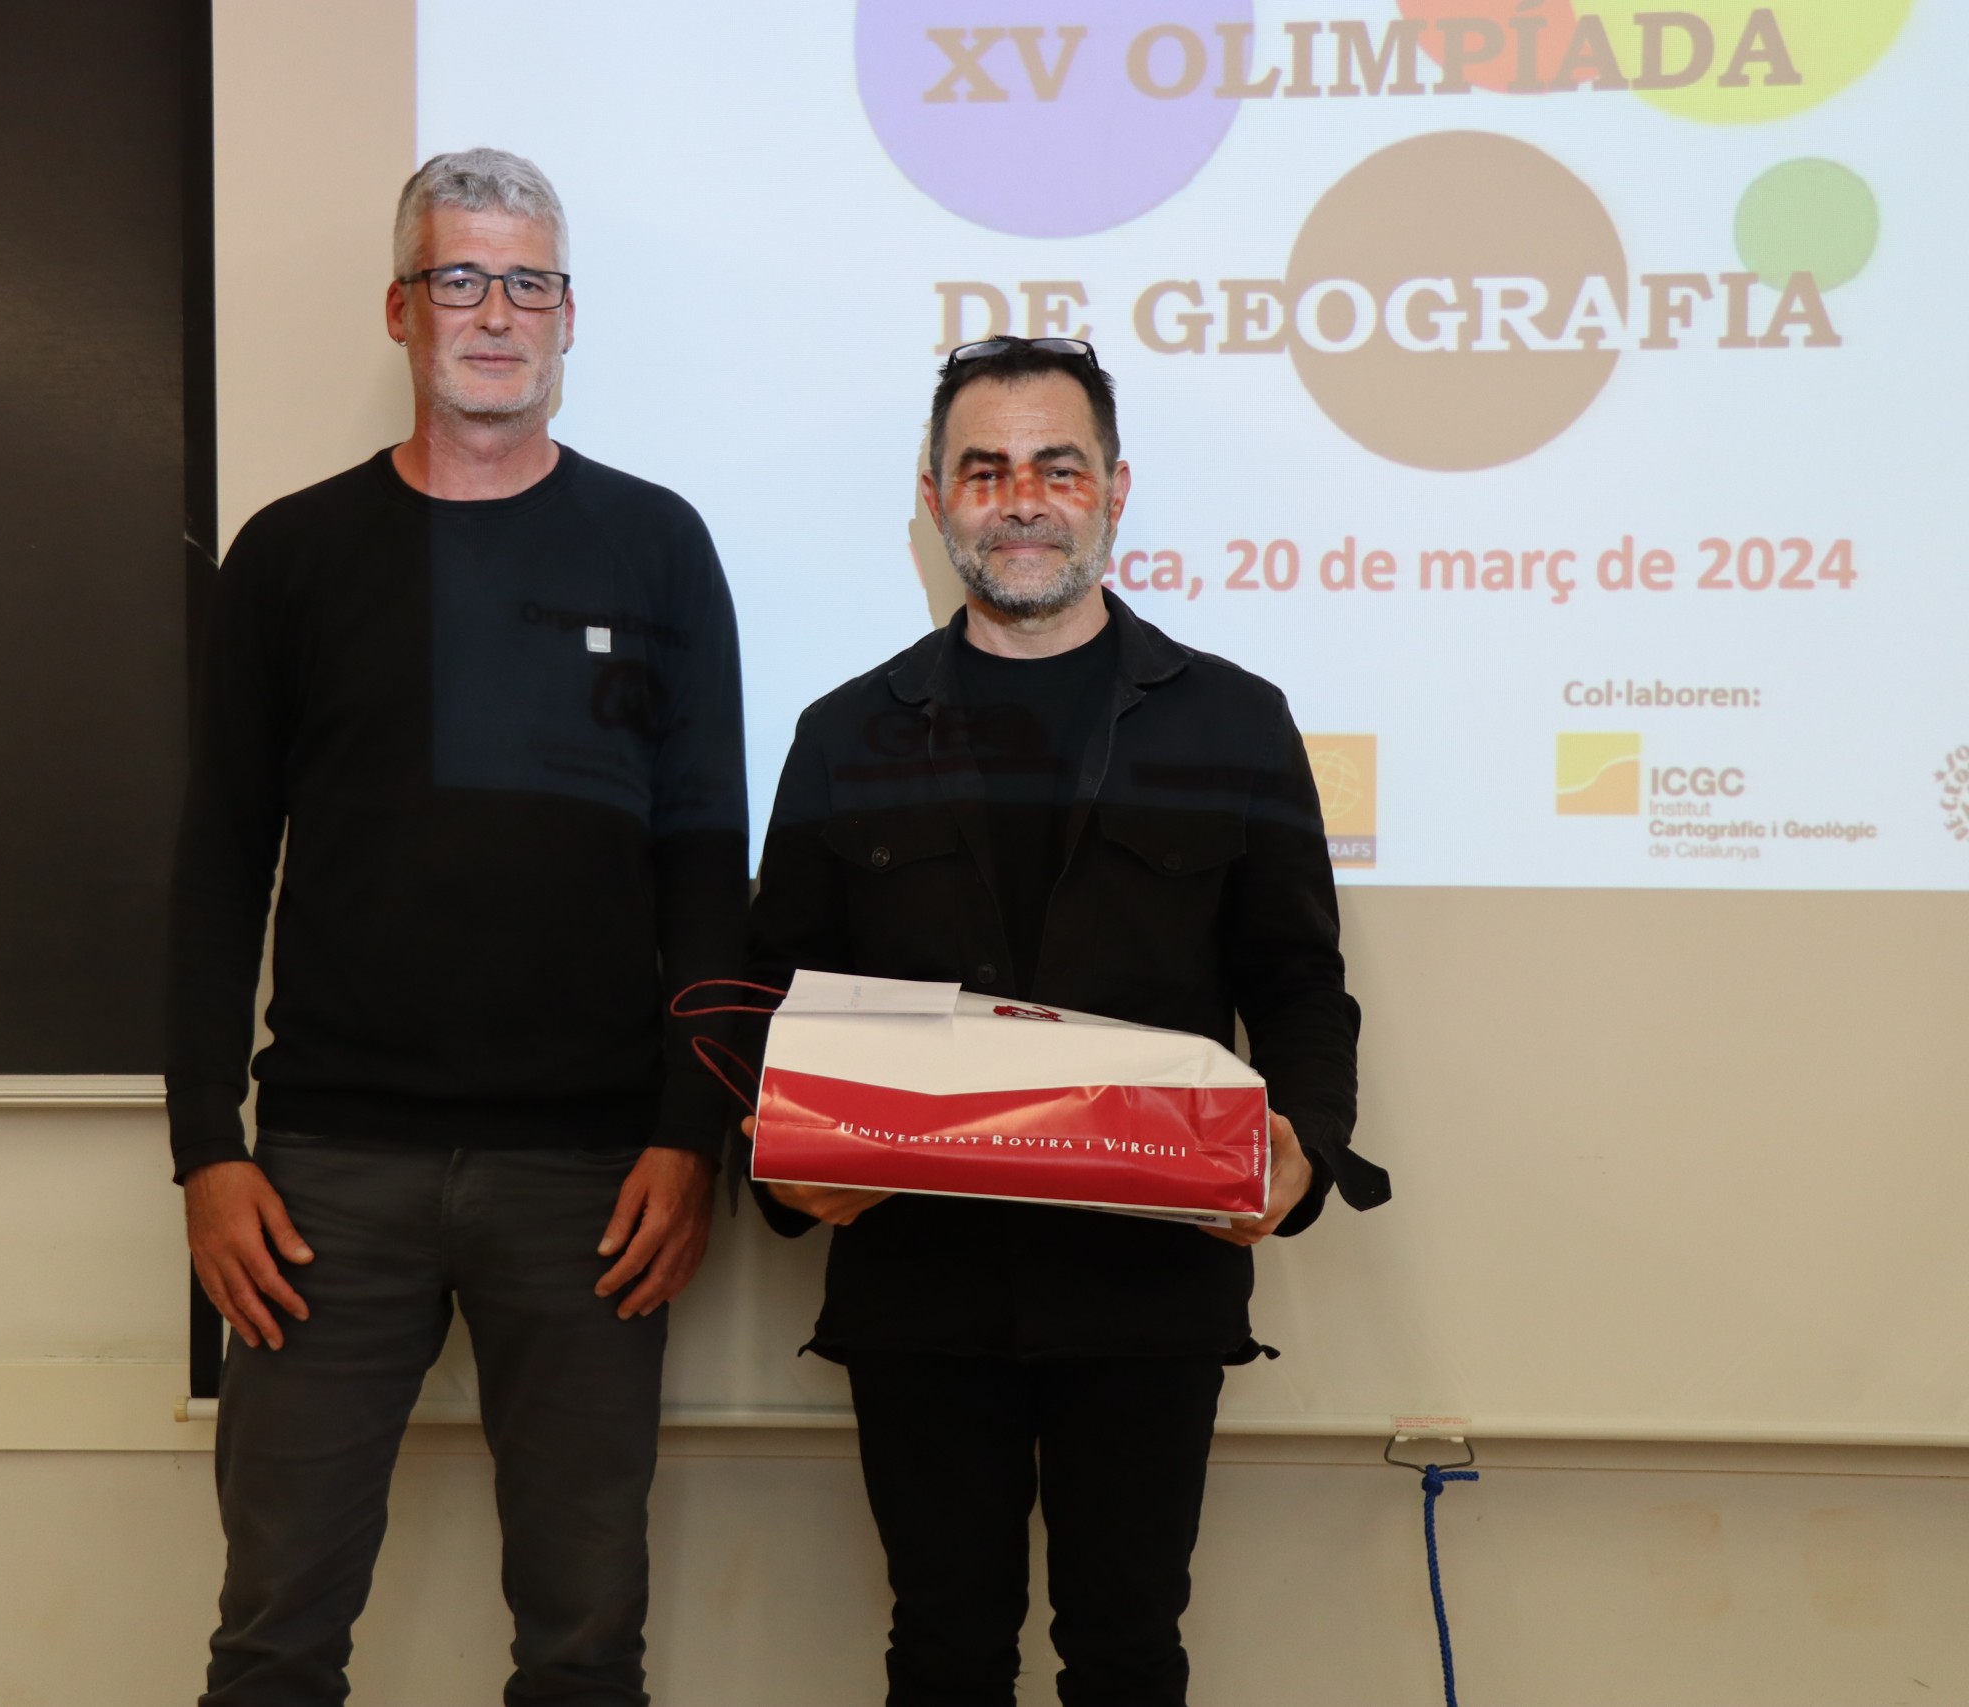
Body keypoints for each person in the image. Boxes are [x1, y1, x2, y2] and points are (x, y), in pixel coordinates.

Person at [166, 148, 748, 1707]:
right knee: (273, 1642)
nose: (497, 313)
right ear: (400, 310)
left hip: (593, 1182)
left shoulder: (658, 546)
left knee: (585, 1647)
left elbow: (709, 868)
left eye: (528, 283)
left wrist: (691, 1133)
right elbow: (218, 867)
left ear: (570, 316)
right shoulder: (291, 556)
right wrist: (206, 1150)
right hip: (324, 1178)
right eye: (461, 278)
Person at [744, 336, 1391, 1707]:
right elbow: (773, 997)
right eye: (985, 470)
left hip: (1149, 1285)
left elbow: (1298, 981)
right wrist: (781, 1162)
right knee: (942, 1652)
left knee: (1127, 1653)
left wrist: (1303, 1146)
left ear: (1115, 489)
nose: (1022, 499)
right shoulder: (845, 734)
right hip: (920, 1286)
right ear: (935, 498)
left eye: (1058, 466)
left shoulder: (1234, 722)